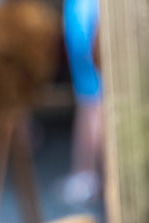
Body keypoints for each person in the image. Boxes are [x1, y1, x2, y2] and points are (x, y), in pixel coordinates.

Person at [61, 0, 99, 206]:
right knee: (90, 98)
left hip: (88, 12)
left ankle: (87, 175)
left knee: (93, 100)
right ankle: (86, 173)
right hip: (83, 12)